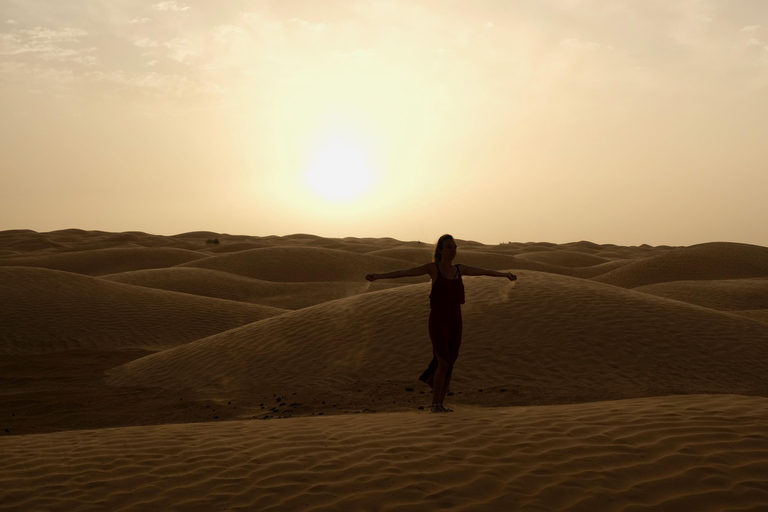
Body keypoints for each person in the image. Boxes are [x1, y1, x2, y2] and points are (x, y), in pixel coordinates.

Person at [365, 234, 517, 413]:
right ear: (440, 250)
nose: (453, 251)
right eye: (449, 247)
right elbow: (406, 272)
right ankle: (434, 405)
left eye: (455, 247)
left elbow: (484, 271)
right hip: (438, 320)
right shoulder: (433, 268)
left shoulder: (460, 269)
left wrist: (504, 274)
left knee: (450, 362)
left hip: (455, 321)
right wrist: (379, 276)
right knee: (443, 362)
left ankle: (440, 404)